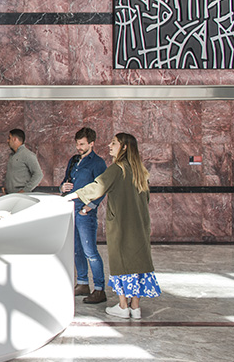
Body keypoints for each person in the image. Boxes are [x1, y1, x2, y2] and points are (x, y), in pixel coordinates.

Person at [66, 133, 161, 319]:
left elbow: (97, 186)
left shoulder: (118, 169)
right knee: (137, 263)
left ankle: (123, 306)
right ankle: (135, 307)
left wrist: (72, 196)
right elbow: (146, 199)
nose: (110, 146)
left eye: (114, 143)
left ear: (124, 147)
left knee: (122, 263)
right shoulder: (140, 171)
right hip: (140, 226)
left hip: (121, 226)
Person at [60, 127, 108, 304]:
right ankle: (82, 283)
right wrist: (62, 188)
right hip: (71, 209)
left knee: (90, 251)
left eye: (82, 144)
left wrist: (89, 207)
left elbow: (102, 188)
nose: (78, 147)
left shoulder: (98, 163)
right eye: (77, 144)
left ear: (91, 143)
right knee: (76, 249)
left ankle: (99, 289)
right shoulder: (73, 161)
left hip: (85, 213)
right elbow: (66, 181)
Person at [4, 128, 43, 193]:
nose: (7, 140)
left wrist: (24, 191)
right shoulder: (12, 155)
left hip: (22, 197)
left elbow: (38, 175)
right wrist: (6, 188)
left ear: (15, 139)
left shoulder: (28, 155)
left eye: (9, 138)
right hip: (11, 196)